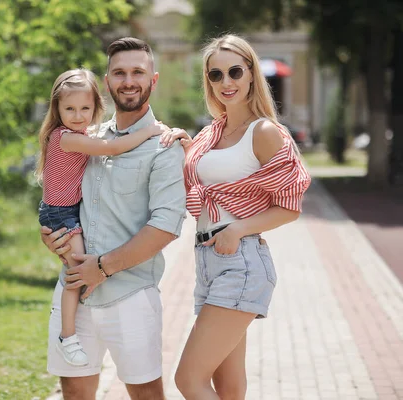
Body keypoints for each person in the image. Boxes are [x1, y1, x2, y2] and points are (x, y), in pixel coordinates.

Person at [159, 33, 311, 399]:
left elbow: (290, 205)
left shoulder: (263, 132)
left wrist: (238, 229)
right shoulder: (212, 133)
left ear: (250, 74)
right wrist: (184, 146)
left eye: (234, 72)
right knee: (228, 388)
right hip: (209, 263)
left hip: (241, 263)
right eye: (216, 75)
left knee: (188, 379)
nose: (226, 82)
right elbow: (197, 181)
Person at [40, 37, 187, 399]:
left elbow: (166, 226)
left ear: (153, 80)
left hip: (130, 294)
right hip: (75, 289)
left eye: (138, 71)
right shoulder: (86, 136)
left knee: (146, 394)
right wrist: (49, 234)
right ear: (107, 82)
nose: (128, 80)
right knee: (73, 392)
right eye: (119, 72)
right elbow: (59, 193)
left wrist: (102, 268)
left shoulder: (165, 145)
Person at [35, 68, 166, 367]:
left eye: (85, 108)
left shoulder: (79, 135)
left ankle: (86, 297)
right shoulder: (66, 138)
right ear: (57, 109)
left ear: (96, 107)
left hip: (65, 212)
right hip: (61, 216)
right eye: (70, 109)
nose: (78, 115)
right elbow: (112, 147)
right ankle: (67, 337)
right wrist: (149, 131)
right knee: (76, 273)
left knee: (79, 269)